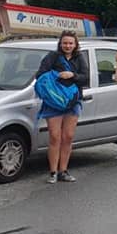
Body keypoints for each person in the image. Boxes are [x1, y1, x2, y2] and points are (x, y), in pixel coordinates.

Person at [38, 30, 90, 184]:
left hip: (72, 102)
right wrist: (57, 75)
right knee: (55, 136)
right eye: (65, 43)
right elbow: (40, 75)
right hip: (53, 102)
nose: (67, 46)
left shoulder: (80, 58)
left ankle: (63, 171)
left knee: (68, 136)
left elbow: (86, 78)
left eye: (70, 43)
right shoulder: (52, 57)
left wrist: (73, 75)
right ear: (60, 44)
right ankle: (53, 172)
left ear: (75, 44)